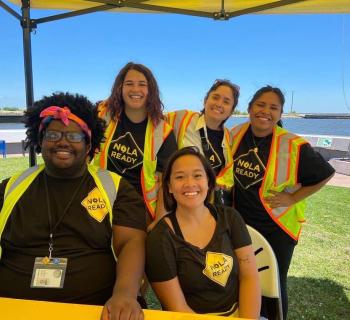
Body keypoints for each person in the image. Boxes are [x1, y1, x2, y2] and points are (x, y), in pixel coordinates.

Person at [0, 92, 146, 320]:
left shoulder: (115, 188)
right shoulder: (11, 188)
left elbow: (131, 242)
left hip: (94, 310)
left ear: (89, 145)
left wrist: (125, 294)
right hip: (12, 309)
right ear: (40, 141)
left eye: (74, 136)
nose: (63, 141)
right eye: (53, 134)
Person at [231, 86, 335, 319]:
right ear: (249, 108)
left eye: (273, 108)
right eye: (260, 105)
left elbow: (325, 173)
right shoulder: (236, 134)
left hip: (277, 227)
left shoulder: (293, 144)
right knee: (244, 279)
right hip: (240, 224)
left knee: (273, 285)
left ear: (280, 114)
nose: (265, 111)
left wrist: (293, 197)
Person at [145, 147, 261, 318]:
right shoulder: (159, 238)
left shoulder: (231, 218)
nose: (190, 183)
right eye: (180, 177)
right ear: (169, 186)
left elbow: (249, 276)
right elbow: (176, 307)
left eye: (197, 175)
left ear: (209, 181)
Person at [94, 62, 177, 223]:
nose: (135, 90)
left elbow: (165, 184)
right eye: (129, 84)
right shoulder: (102, 117)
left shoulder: (163, 132)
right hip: (99, 199)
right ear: (120, 88)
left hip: (139, 207)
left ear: (150, 90)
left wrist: (159, 222)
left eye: (142, 84)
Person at [166, 79, 239, 206]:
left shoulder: (229, 137)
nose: (219, 104)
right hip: (179, 200)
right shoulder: (182, 118)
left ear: (231, 111)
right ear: (206, 100)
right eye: (215, 97)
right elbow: (153, 119)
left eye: (226, 102)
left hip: (207, 206)